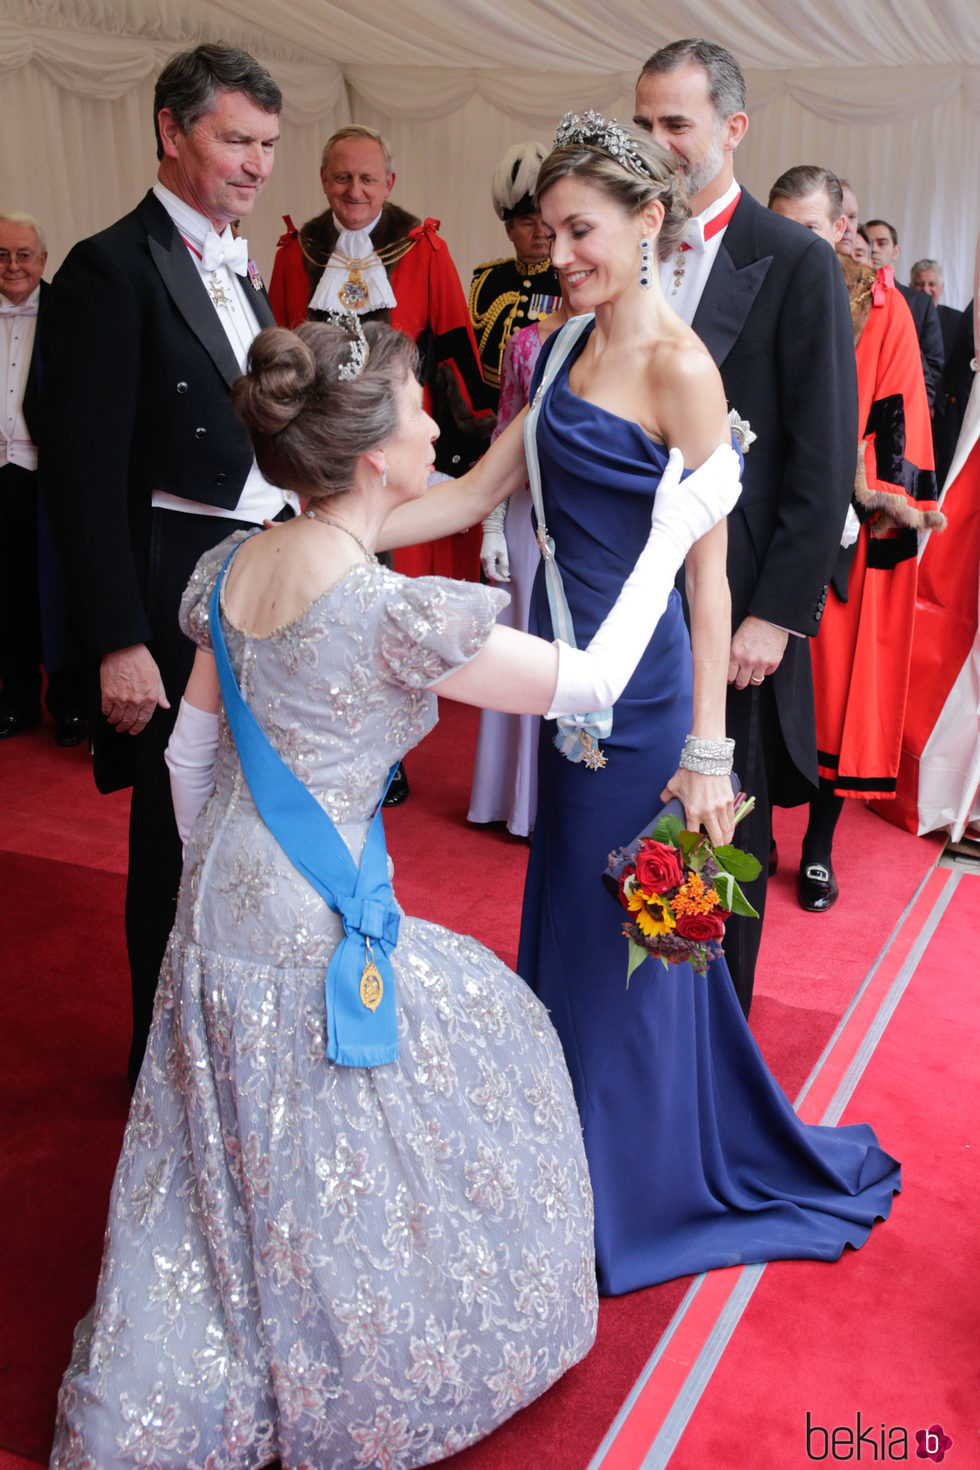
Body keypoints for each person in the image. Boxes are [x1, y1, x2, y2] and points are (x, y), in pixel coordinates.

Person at [49, 312, 741, 1468]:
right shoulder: (387, 612)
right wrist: (672, 528)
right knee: (476, 1041)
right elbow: (590, 682)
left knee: (235, 1134)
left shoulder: (235, 563)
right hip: (313, 915)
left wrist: (227, 887)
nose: (437, 420)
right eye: (422, 407)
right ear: (375, 456)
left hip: (219, 899)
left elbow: (185, 763)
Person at [515, 113, 898, 1298]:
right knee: (577, 928)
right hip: (567, 681)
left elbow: (713, 565)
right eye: (550, 229)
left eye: (580, 228)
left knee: (638, 934)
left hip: (645, 700)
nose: (559, 248)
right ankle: (566, 1149)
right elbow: (493, 479)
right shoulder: (567, 335)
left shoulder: (688, 357)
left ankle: (635, 1171)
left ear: (645, 224)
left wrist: (703, 752)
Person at [39, 43, 290, 1090]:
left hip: (259, 583)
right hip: (167, 596)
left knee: (250, 836)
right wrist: (116, 641)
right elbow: (81, 473)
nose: (256, 166)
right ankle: (164, 1067)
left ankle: (231, 1043)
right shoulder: (110, 266)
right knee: (173, 843)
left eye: (269, 145)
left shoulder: (244, 263)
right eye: (235, 141)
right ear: (170, 132)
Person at [633, 39, 859, 1014]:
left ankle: (704, 1058)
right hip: (628, 602)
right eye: (641, 123)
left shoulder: (796, 262)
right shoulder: (626, 246)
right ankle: (633, 1039)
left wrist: (774, 615)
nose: (655, 142)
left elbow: (819, 456)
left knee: (715, 846)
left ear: (730, 129)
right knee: (638, 822)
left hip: (739, 618)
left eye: (674, 124)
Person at [768, 167, 942, 910]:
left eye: (809, 229)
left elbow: (899, 412)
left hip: (841, 527)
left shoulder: (885, 307)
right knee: (750, 684)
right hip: (753, 514)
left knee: (834, 695)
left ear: (841, 229)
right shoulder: (752, 283)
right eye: (781, 225)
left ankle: (816, 849)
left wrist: (858, 488)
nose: (790, 242)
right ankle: (741, 833)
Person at [268, 124, 492, 581]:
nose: (354, 191)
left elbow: (455, 353)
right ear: (323, 179)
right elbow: (277, 363)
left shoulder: (425, 250)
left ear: (388, 183)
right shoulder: (294, 256)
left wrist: (465, 449)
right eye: (342, 177)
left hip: (400, 449)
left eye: (367, 179)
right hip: (322, 454)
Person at [468, 296, 568, 837]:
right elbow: (505, 432)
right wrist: (492, 521)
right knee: (525, 647)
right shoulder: (526, 342)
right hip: (528, 511)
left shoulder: (626, 336)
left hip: (594, 518)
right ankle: (517, 804)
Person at [0, 210, 85, 744]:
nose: (12, 265)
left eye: (23, 255)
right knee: (6, 595)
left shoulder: (70, 313)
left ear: (43, 261)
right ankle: (15, 702)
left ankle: (71, 705)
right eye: (3, 255)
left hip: (49, 476)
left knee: (59, 593)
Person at [468, 141, 562, 405]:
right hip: (486, 411)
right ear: (509, 230)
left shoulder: (566, 281)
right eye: (527, 223)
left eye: (545, 221)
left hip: (542, 407)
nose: (540, 232)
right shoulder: (487, 280)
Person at [865, 218, 944, 409]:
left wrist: (914, 404)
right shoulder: (843, 295)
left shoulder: (920, 302)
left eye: (882, 243)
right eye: (868, 243)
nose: (874, 249)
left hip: (902, 405)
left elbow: (933, 363)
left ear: (895, 251)